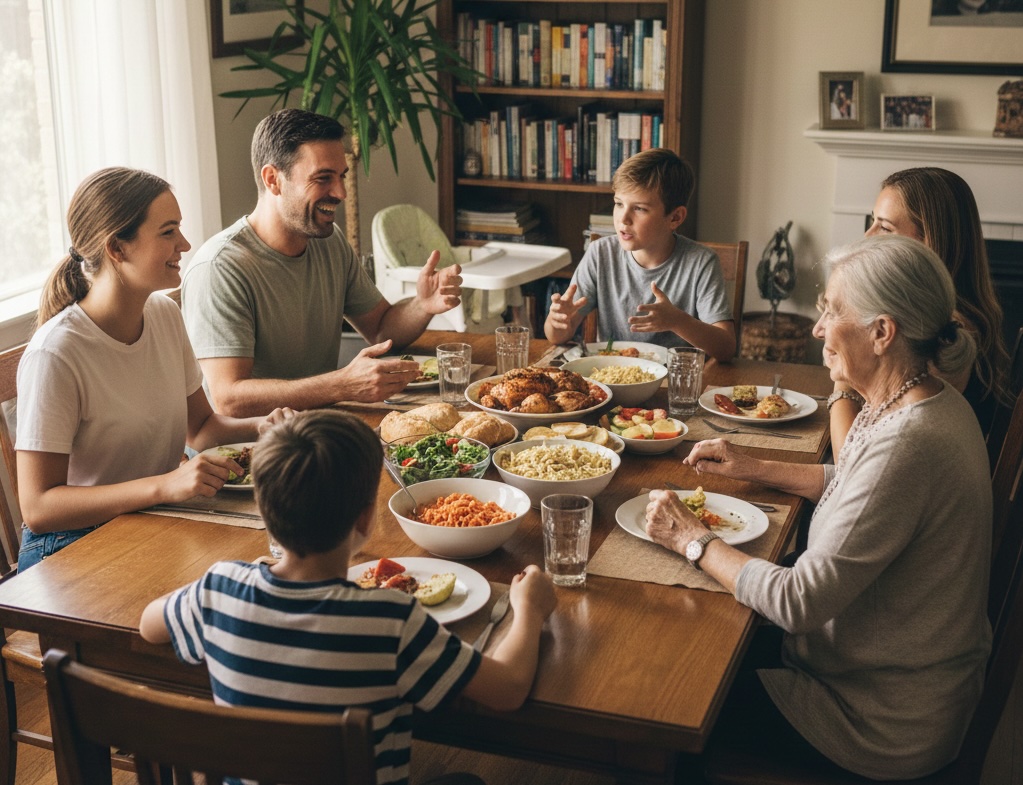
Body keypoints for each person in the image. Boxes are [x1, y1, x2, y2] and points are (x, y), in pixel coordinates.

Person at [646, 235, 991, 780]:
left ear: (882, 333)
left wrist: (690, 537)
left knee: (668, 696)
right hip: (890, 681)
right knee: (694, 631)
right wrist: (751, 466)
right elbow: (859, 483)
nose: (816, 329)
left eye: (831, 311)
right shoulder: (925, 400)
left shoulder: (909, 443)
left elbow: (798, 601)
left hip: (873, 721)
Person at [140, 410, 557, 785]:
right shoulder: (389, 621)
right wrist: (529, 608)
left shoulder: (218, 588)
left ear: (264, 512)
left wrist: (240, 575)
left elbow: (149, 624)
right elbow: (509, 690)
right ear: (365, 517)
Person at [15, 168, 291, 572]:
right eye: (168, 231)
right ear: (117, 248)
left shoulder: (163, 313)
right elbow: (39, 507)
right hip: (69, 545)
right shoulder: (56, 353)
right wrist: (165, 484)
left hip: (152, 517)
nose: (185, 243)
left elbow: (201, 429)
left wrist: (264, 426)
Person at [181, 108, 464, 417]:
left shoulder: (329, 241)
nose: (340, 192)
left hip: (319, 429)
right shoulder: (221, 268)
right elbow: (229, 398)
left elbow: (382, 330)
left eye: (341, 176)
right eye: (323, 178)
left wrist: (422, 305)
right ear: (273, 179)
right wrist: (342, 385)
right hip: (251, 450)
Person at [829, 167, 1011, 451]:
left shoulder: (945, 335)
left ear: (929, 242)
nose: (868, 236)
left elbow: (849, 464)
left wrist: (842, 383)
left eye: (885, 227)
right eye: (872, 221)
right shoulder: (925, 316)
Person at [543, 148, 735, 361]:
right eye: (618, 204)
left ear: (675, 217)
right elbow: (557, 337)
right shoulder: (600, 254)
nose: (623, 218)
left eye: (640, 209)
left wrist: (678, 321)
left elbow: (726, 348)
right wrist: (557, 320)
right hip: (611, 378)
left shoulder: (701, 263)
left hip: (674, 384)